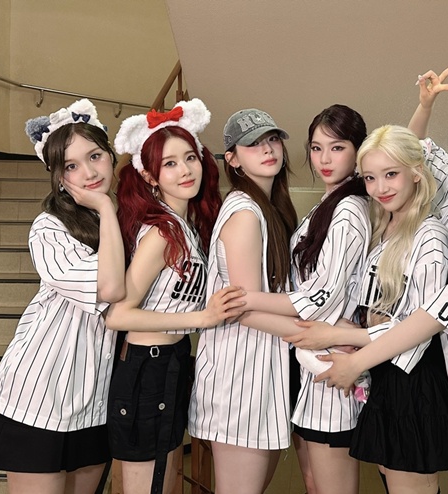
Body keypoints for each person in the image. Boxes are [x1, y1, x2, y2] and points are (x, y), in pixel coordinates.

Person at [292, 64, 448, 493]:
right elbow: (408, 156)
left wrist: (356, 359)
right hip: (440, 378)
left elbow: (436, 314)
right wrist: (425, 106)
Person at [289, 123, 448, 494]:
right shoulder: (383, 228)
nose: (380, 188)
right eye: (370, 178)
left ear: (416, 172)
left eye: (391, 174)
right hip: (384, 376)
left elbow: (420, 327)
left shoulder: (429, 237)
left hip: (412, 383)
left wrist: (338, 334)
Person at [0, 99, 125, 494]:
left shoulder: (127, 220)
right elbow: (111, 289)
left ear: (111, 155)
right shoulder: (49, 227)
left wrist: (109, 212)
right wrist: (106, 208)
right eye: (71, 166)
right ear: (57, 176)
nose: (89, 172)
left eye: (95, 156)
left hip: (94, 399)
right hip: (41, 394)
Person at [104, 99, 245, 494]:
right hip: (146, 367)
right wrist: (202, 318)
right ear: (150, 176)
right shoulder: (161, 232)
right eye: (169, 163)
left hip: (172, 362)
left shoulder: (186, 227)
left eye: (189, 158)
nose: (185, 170)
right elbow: (118, 315)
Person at [234, 104, 371, 494]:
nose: (324, 159)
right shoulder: (326, 206)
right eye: (316, 148)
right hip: (310, 364)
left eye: (337, 147)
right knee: (313, 481)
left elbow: (319, 297)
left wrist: (247, 300)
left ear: (358, 151)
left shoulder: (349, 209)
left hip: (332, 366)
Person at [188, 108, 297, 494]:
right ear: (232, 159)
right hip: (238, 376)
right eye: (253, 144)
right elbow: (244, 307)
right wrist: (313, 334)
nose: (267, 149)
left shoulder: (270, 207)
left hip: (259, 370)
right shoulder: (246, 212)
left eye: (272, 139)